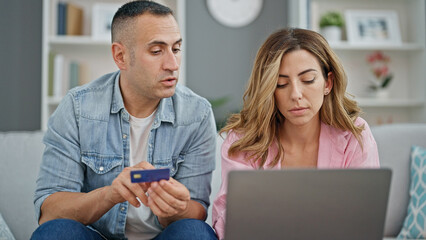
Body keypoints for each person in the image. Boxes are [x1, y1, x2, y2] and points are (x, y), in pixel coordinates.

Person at [31, 1, 217, 240]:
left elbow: (197, 211)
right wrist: (110, 195)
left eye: (176, 49)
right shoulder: (78, 108)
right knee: (55, 233)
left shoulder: (197, 114)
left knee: (195, 233)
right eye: (157, 51)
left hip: (163, 237)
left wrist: (177, 208)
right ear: (120, 56)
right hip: (97, 237)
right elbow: (50, 212)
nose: (173, 64)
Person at [211, 28, 380, 240]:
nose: (296, 95)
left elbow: (364, 218)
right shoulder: (244, 140)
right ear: (269, 89)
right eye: (281, 84)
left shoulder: (354, 136)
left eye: (308, 80)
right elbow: (227, 224)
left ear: (328, 83)